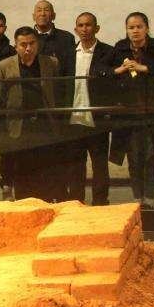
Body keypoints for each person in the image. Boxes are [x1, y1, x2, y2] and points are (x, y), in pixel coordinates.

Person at [105, 12, 154, 208]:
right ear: (126, 30)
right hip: (129, 113)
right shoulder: (120, 47)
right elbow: (100, 68)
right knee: (134, 157)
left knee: (152, 157)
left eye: (139, 27)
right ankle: (137, 196)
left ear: (147, 28)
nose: (135, 31)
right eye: (131, 27)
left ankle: (150, 196)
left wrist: (145, 68)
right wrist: (117, 70)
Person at [0, 27, 61, 202]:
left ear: (37, 44)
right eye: (23, 44)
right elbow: (1, 96)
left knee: (45, 170)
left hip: (45, 125)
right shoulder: (4, 66)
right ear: (15, 46)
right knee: (22, 172)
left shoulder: (51, 63)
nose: (28, 48)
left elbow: (57, 91)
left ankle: (45, 205)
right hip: (18, 125)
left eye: (32, 43)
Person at [62, 12, 115, 206]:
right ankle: (77, 202)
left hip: (97, 118)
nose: (84, 29)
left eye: (88, 25)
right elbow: (62, 86)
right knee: (75, 165)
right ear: (75, 29)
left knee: (100, 164)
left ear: (97, 28)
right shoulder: (68, 54)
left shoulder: (108, 52)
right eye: (80, 25)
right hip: (74, 118)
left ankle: (100, 201)